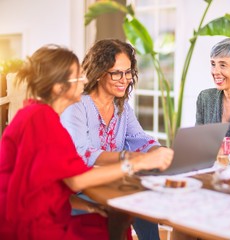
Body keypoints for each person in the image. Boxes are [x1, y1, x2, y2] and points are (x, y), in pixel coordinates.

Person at [0, 45, 173, 240]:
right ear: (59, 87)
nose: (85, 79)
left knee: (114, 217)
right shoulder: (41, 119)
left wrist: (90, 206)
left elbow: (50, 184)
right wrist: (137, 162)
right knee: (114, 223)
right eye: (78, 76)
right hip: (31, 225)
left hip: (49, 210)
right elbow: (75, 180)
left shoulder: (41, 115)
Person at [60, 39, 164, 239]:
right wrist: (130, 158)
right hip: (80, 190)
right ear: (99, 73)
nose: (124, 79)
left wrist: (159, 152)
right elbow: (83, 154)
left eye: (128, 72)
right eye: (116, 73)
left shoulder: (122, 108)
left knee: (147, 199)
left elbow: (140, 139)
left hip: (111, 184)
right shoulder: (77, 106)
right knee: (132, 202)